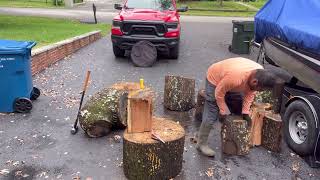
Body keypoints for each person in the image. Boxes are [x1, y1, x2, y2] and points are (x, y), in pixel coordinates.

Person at [196, 57, 280, 157]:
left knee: (235, 100)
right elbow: (219, 92)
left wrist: (245, 112)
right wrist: (223, 110)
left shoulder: (259, 74)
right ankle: (201, 144)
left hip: (229, 79)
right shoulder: (236, 78)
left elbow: (250, 94)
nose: (260, 92)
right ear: (254, 82)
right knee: (212, 111)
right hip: (215, 78)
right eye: (260, 89)